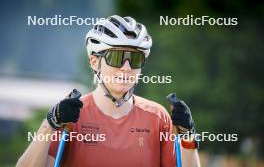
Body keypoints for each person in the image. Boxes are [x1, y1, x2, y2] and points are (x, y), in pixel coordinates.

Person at [16, 15, 200, 167]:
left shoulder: (157, 117)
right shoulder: (70, 117)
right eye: (117, 57)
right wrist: (50, 124)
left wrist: (188, 136)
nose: (126, 68)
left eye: (135, 59)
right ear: (94, 62)